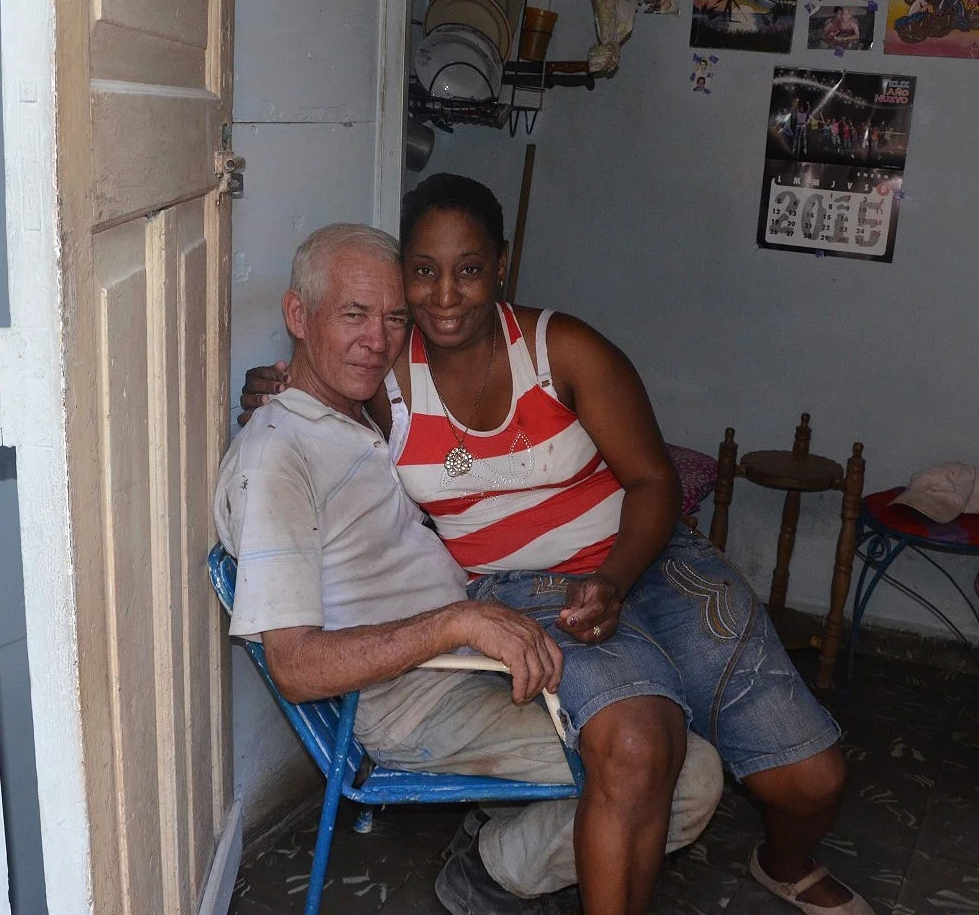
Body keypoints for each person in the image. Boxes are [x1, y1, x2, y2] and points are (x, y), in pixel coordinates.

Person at [242, 178, 874, 915]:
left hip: (651, 563)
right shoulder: (388, 371)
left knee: (810, 780)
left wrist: (614, 577)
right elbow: (319, 397)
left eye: (468, 268)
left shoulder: (561, 349)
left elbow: (652, 481)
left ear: (501, 266)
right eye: (423, 271)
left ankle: (782, 862)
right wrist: (269, 387)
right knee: (639, 742)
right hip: (525, 589)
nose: (445, 294)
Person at [216, 223, 724, 915]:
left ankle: (503, 852)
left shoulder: (348, 416)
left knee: (661, 741)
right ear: (297, 316)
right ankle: (495, 869)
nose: (378, 340)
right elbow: (296, 668)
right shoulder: (279, 456)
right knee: (676, 771)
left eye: (395, 318)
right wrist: (459, 618)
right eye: (353, 315)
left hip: (467, 653)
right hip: (415, 698)